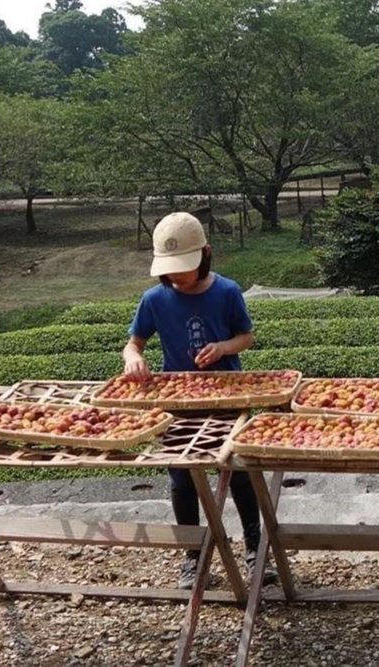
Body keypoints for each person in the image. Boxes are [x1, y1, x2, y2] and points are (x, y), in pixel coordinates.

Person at [122, 212, 276, 589]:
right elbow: (134, 342)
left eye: (184, 268)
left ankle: (255, 545)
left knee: (237, 472)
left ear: (206, 254)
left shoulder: (226, 291)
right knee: (182, 479)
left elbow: (246, 336)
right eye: (171, 269)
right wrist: (133, 358)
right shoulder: (154, 299)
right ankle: (193, 555)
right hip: (178, 400)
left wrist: (223, 346)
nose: (177, 276)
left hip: (227, 394)